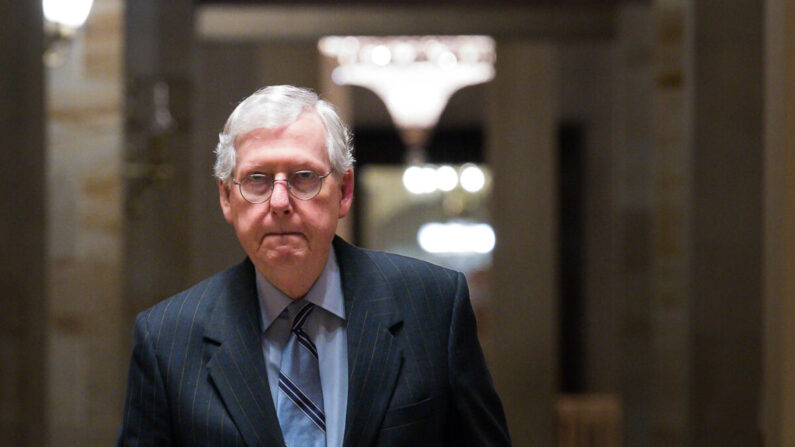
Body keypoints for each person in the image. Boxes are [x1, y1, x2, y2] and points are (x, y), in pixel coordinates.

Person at [118, 85, 511, 447]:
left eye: (304, 177)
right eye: (257, 179)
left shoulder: (433, 306)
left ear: (343, 191)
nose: (279, 201)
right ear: (226, 198)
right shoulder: (167, 339)